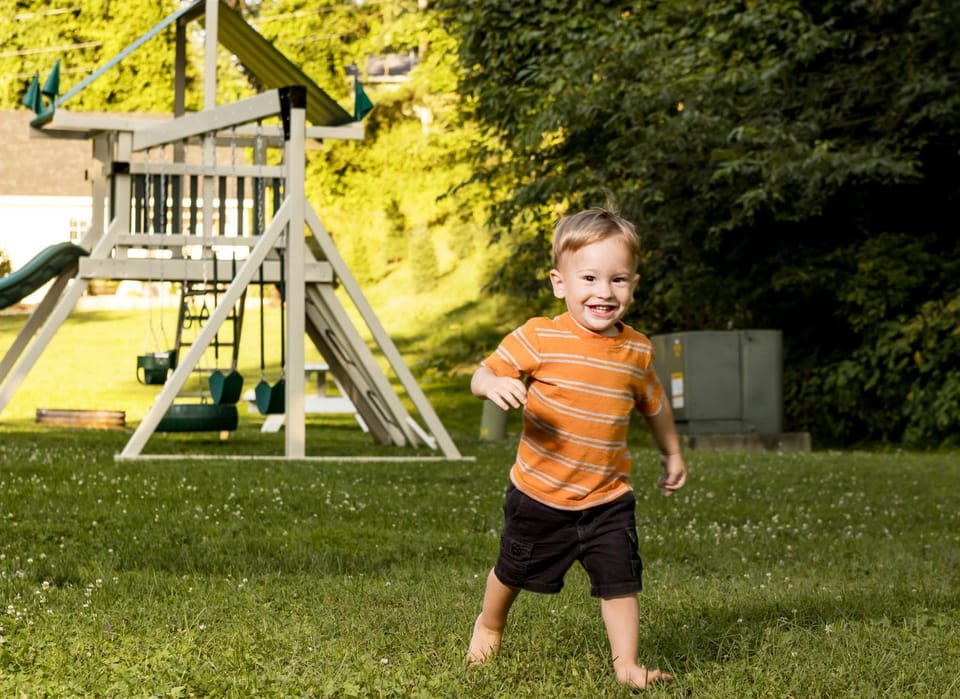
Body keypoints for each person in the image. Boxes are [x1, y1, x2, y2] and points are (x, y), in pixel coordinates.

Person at [467, 207, 688, 689]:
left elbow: (654, 406)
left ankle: (626, 666)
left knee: (621, 580)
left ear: (632, 283)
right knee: (512, 570)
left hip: (608, 497)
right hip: (539, 494)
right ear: (559, 283)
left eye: (618, 279)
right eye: (589, 277)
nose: (604, 292)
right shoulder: (540, 336)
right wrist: (492, 387)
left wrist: (672, 453)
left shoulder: (637, 350)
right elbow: (482, 372)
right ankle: (490, 624)